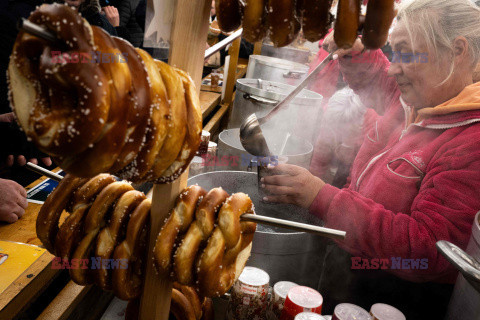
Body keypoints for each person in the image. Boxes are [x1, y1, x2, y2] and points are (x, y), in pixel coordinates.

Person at [261, 0, 480, 316]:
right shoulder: (421, 97)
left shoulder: (471, 142)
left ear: (457, 51)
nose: (394, 66)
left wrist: (321, 196)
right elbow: (380, 78)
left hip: (397, 299)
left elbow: (430, 248)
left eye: (405, 53)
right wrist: (355, 50)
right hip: (350, 266)